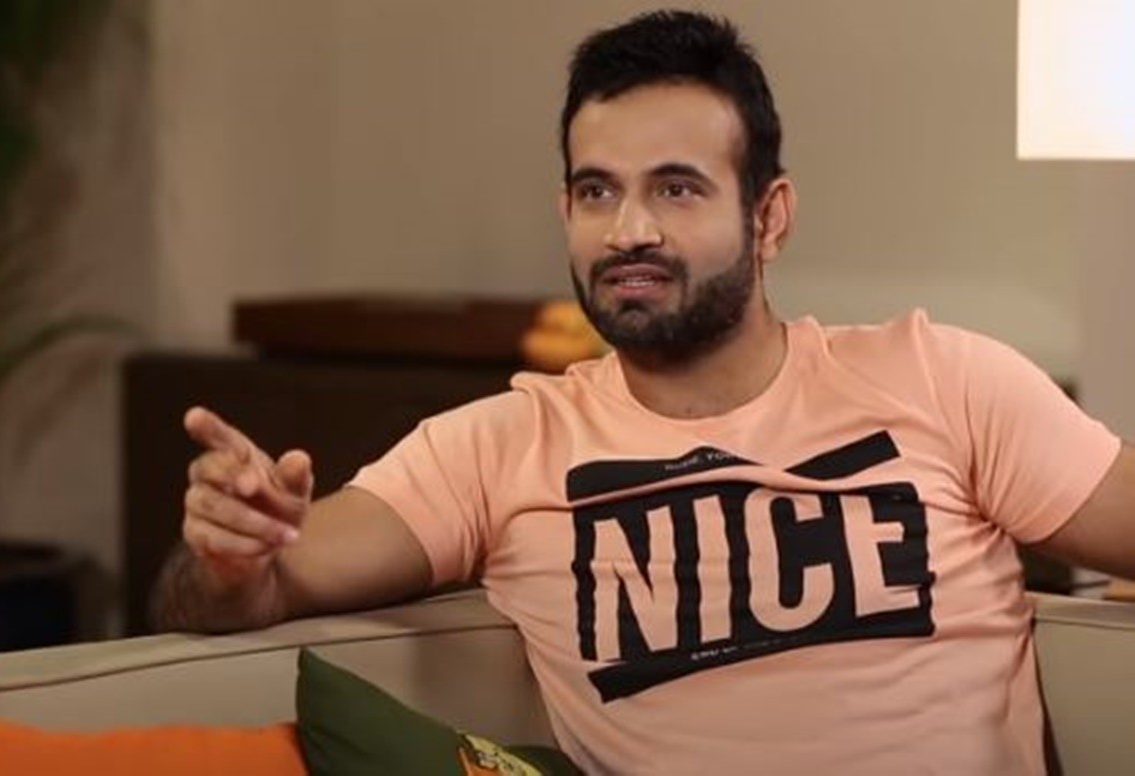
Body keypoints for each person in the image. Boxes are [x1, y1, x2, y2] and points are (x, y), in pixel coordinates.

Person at [150, 10, 1135, 775]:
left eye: (676, 187)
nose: (629, 231)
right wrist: (232, 557)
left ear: (769, 216)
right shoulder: (500, 447)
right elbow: (237, 591)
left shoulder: (944, 380)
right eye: (597, 191)